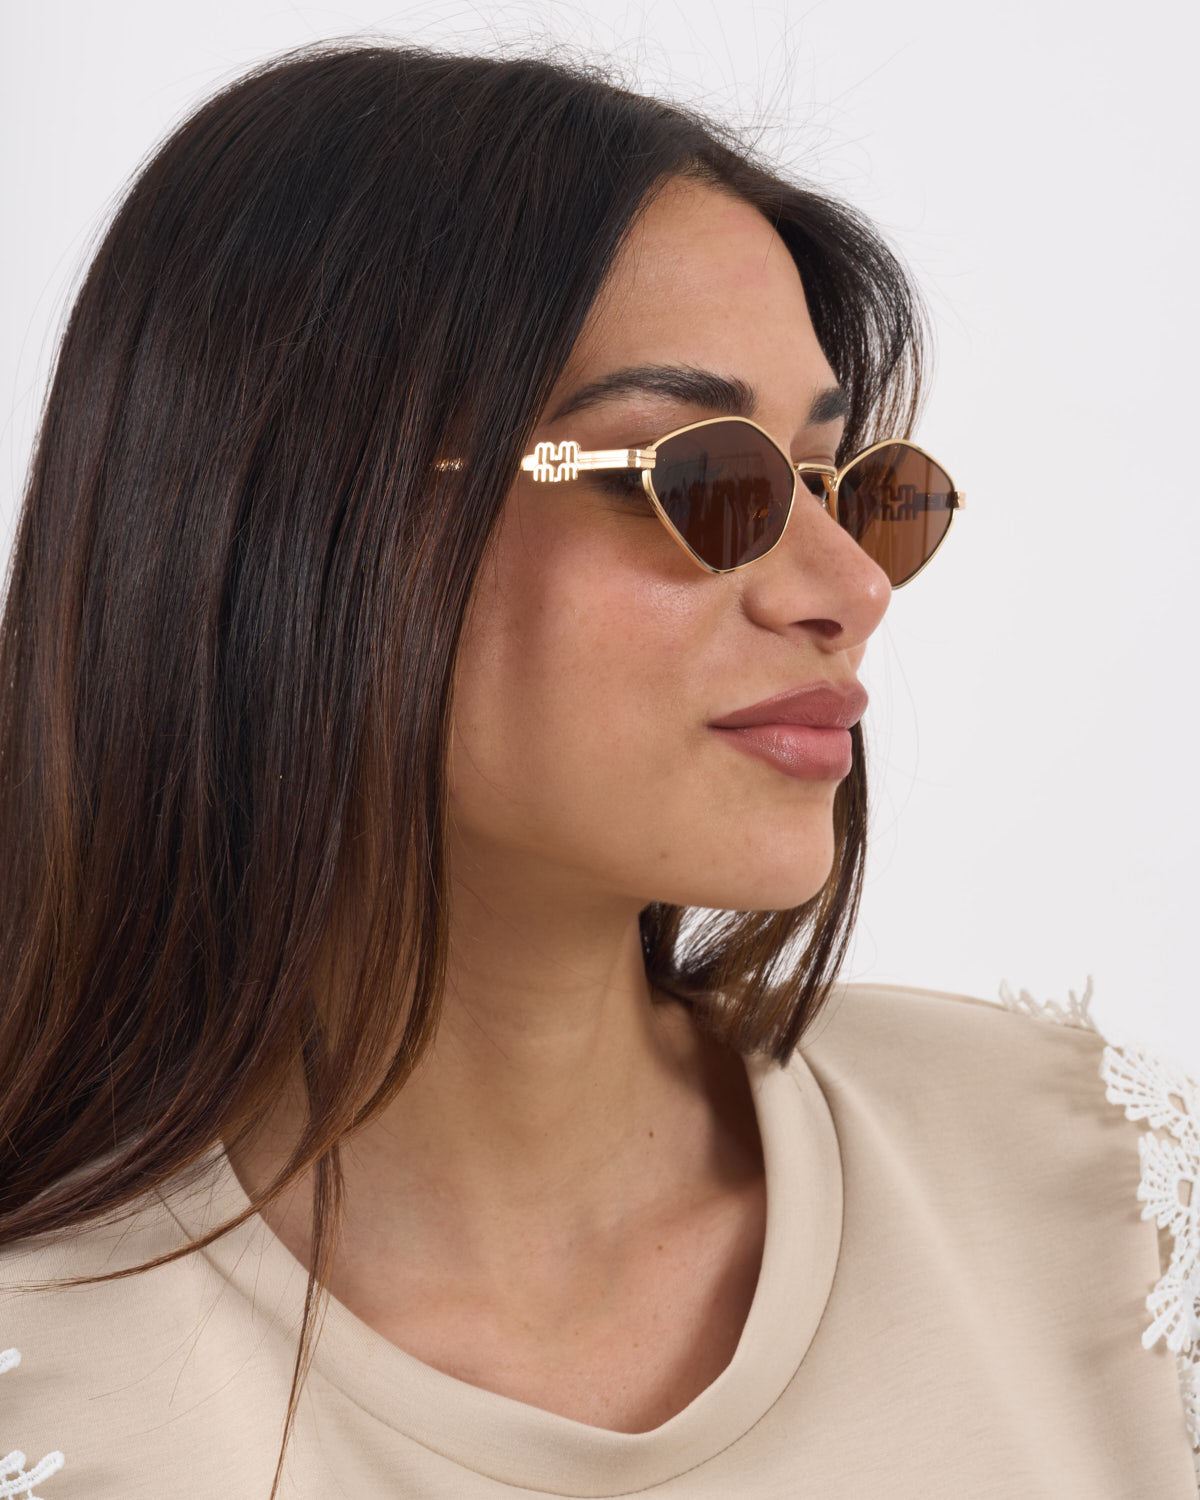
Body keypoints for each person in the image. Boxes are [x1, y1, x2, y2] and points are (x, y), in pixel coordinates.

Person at [0, 38, 1196, 1500]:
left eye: (847, 487)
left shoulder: (1111, 1210)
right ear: (306, 513)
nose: (850, 586)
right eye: (702, 475)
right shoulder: (44, 1375)